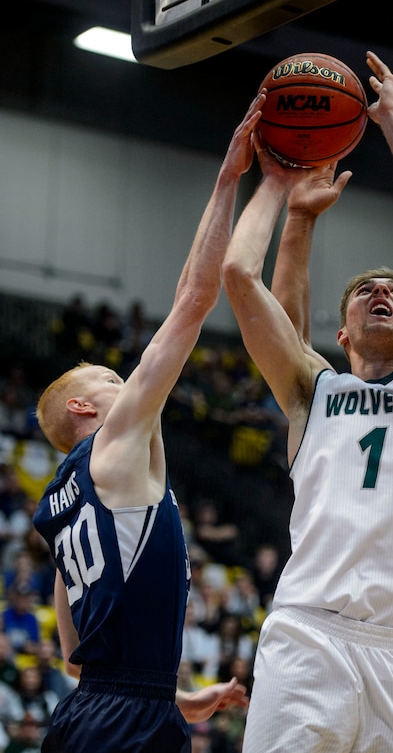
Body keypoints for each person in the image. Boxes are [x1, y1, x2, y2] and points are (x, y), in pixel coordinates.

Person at [222, 48, 393, 751]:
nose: (380, 292)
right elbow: (240, 280)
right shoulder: (314, 391)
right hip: (309, 635)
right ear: (339, 334)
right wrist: (277, 185)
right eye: (365, 290)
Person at [29, 97, 265, 752]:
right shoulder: (114, 446)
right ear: (83, 408)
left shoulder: (57, 507)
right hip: (128, 721)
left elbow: (76, 655)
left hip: (85, 718)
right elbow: (194, 298)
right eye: (108, 379)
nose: (124, 383)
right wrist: (228, 179)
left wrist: (176, 696)